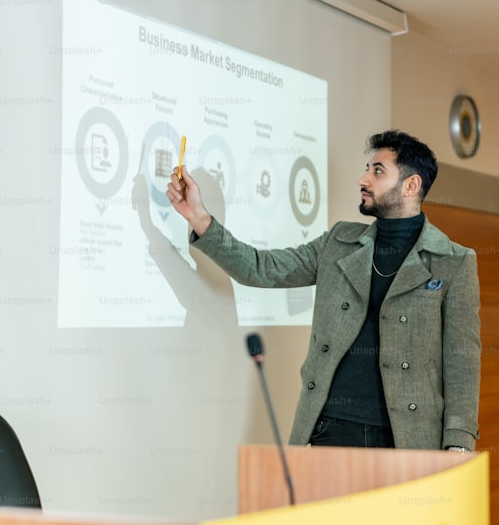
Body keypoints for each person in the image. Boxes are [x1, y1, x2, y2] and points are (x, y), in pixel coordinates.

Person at [166, 130, 481, 451]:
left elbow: (462, 362)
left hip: (408, 437)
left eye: (377, 171)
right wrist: (198, 216)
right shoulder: (339, 243)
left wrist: (459, 443)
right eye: (367, 168)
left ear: (411, 185)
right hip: (332, 428)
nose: (363, 178)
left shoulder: (453, 261)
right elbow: (261, 268)